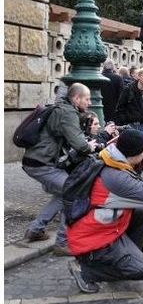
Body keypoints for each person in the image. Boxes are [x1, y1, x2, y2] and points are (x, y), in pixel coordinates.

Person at [67, 129, 143, 294]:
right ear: (136, 155)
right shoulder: (117, 177)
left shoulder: (110, 157)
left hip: (94, 227)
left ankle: (126, 258)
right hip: (91, 240)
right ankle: (85, 271)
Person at [22, 83, 97, 254]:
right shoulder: (67, 112)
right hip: (41, 163)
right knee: (74, 192)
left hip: (36, 160)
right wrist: (89, 146)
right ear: (76, 98)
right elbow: (80, 145)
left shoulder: (62, 108)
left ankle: (35, 229)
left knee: (63, 193)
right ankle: (62, 243)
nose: (90, 102)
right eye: (87, 98)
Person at [115, 66, 143, 140]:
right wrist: (125, 122)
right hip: (130, 125)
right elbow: (120, 107)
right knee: (130, 149)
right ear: (139, 76)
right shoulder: (129, 89)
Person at [100, 59, 124, 123]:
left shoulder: (99, 77)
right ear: (113, 67)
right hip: (113, 109)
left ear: (104, 67)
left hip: (100, 107)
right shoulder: (118, 78)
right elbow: (121, 95)